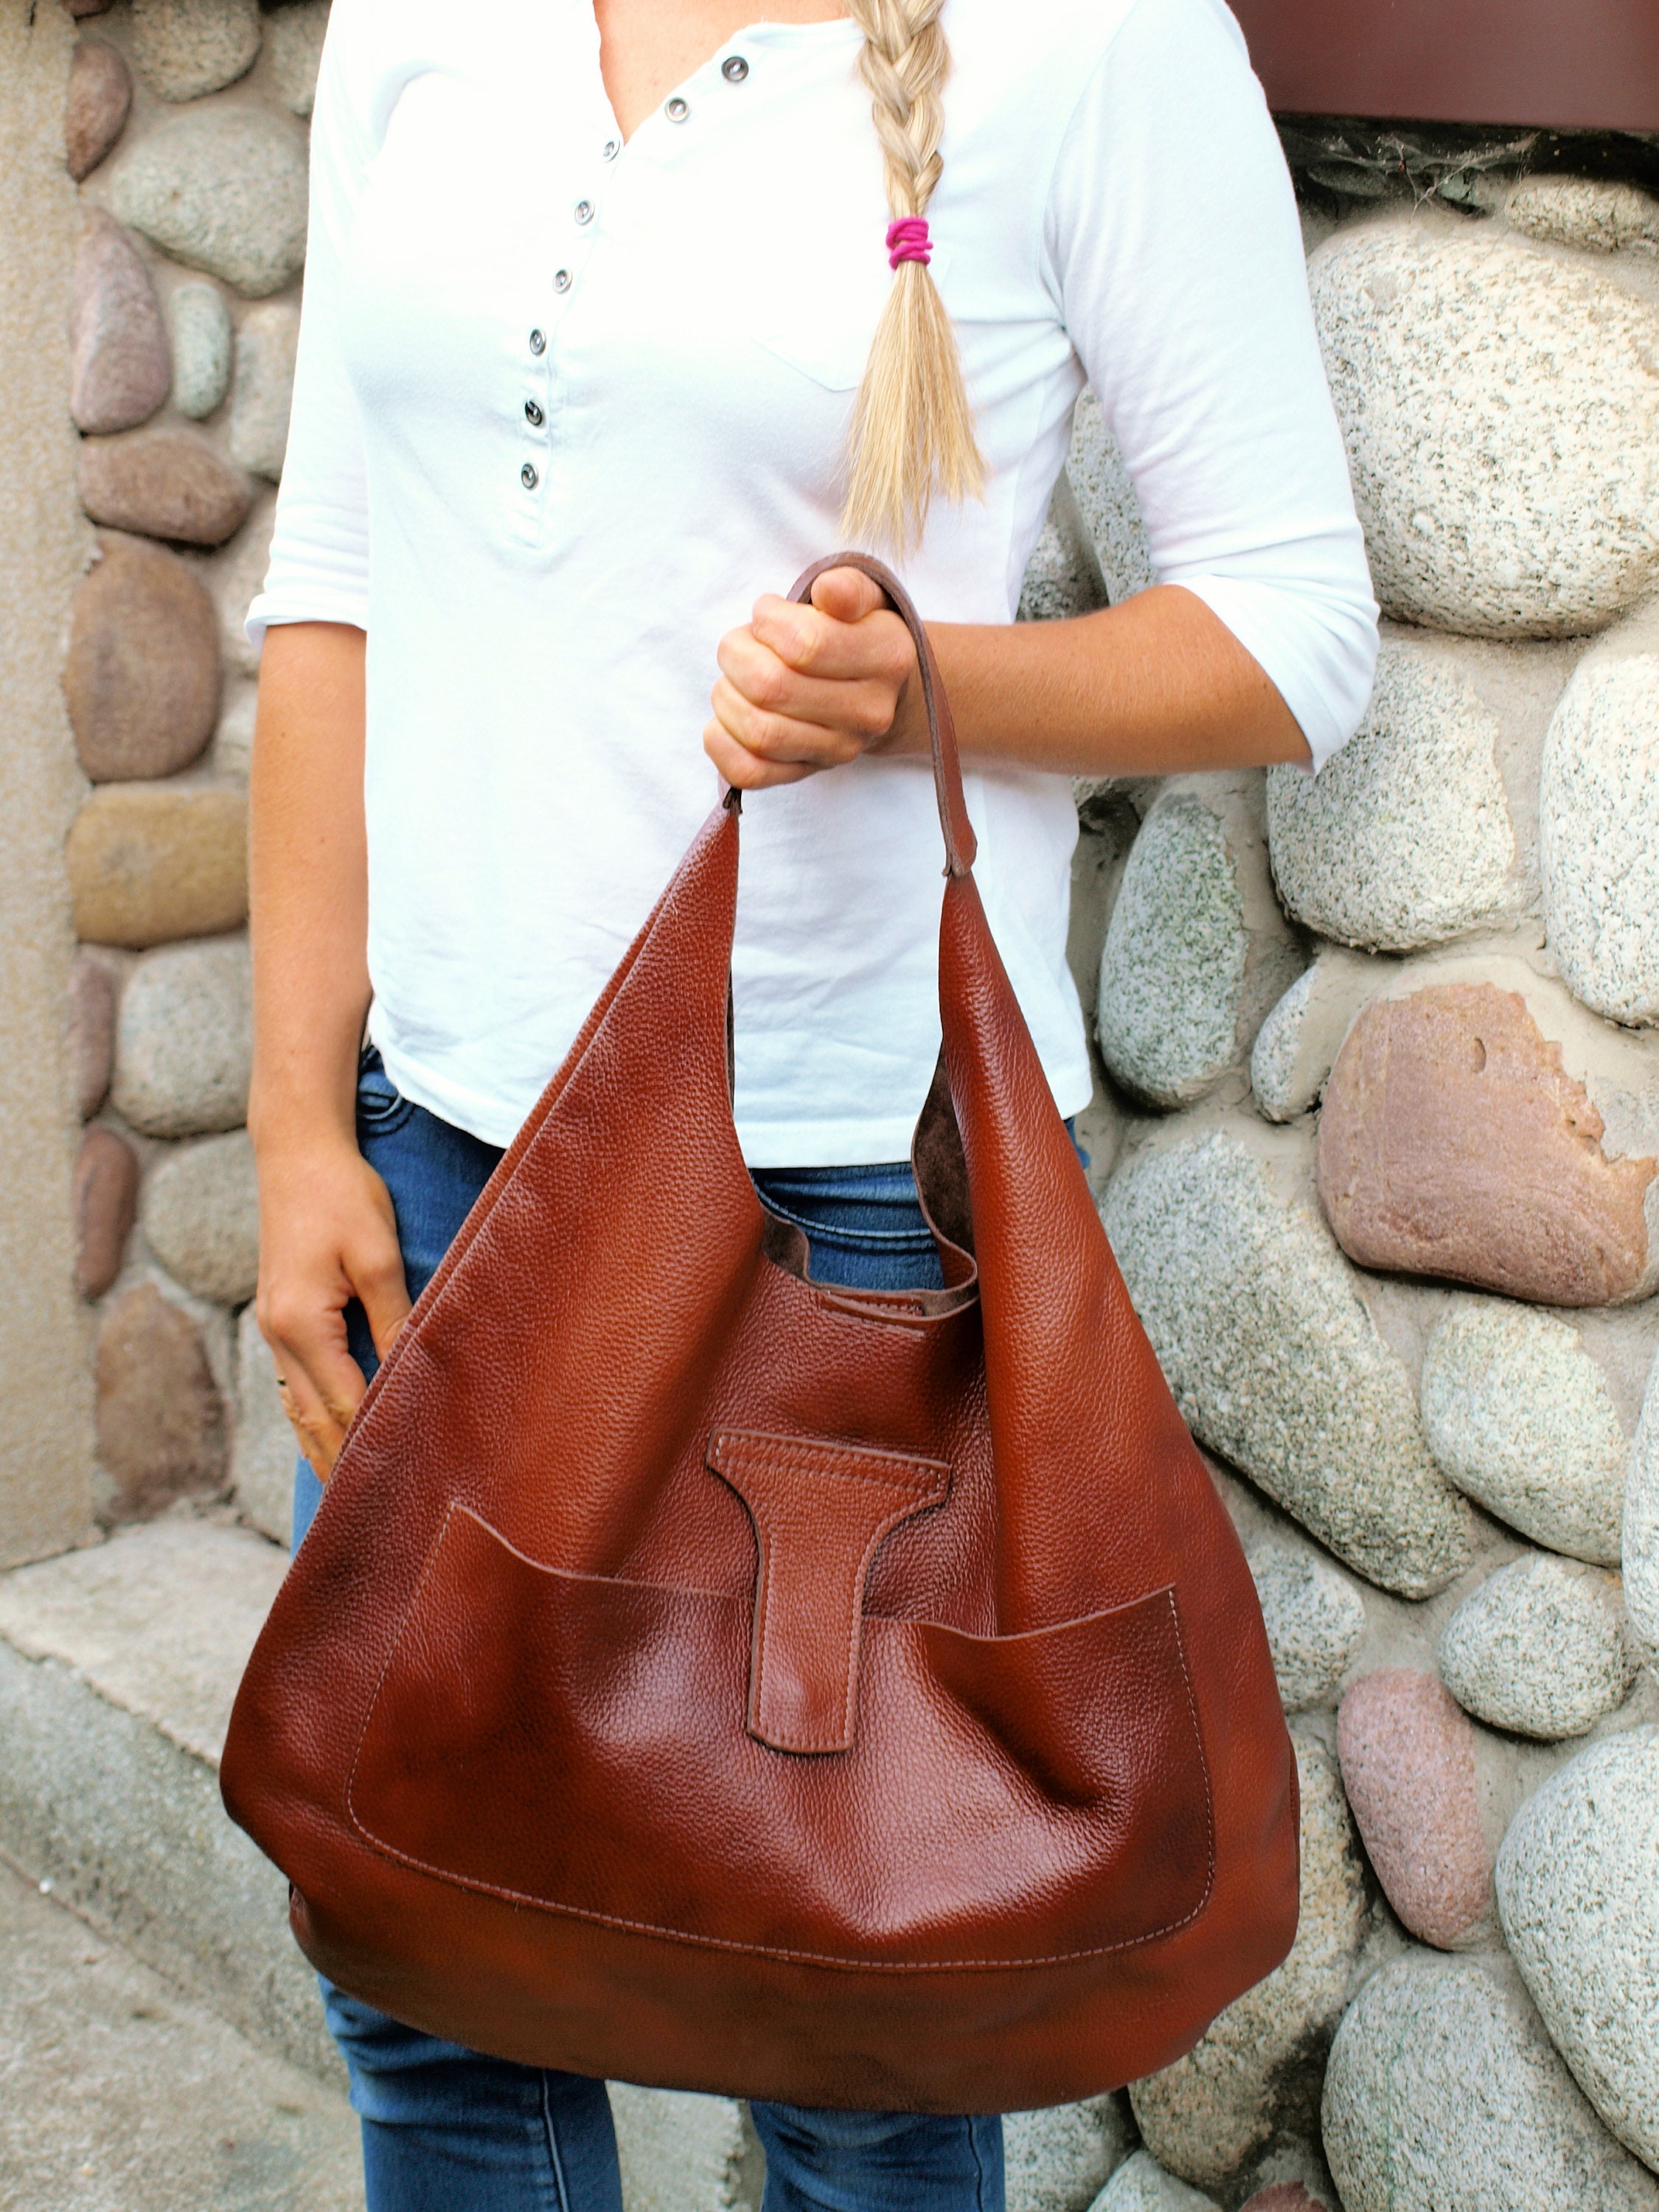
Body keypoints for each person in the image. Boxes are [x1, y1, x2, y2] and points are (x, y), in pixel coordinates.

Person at [246, 0, 1378, 2202]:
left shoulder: (1089, 41)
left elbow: (1293, 631)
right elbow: (336, 593)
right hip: (438, 1165)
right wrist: (302, 1129)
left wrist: (920, 694)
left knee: (855, 2040)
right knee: (422, 1970)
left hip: (847, 1213)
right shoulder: (419, 21)